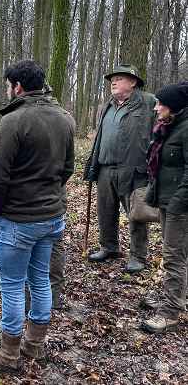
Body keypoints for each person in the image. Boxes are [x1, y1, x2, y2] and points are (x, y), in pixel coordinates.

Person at [0, 60, 75, 369]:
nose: (8, 91)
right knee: (40, 281)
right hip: (51, 218)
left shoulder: (14, 120)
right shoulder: (64, 118)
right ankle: (34, 345)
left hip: (19, 220)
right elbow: (68, 169)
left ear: (17, 87)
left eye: (8, 86)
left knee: (11, 284)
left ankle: (8, 353)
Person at [84, 64, 156, 273]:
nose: (113, 82)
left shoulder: (148, 103)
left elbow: (163, 131)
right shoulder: (108, 105)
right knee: (105, 211)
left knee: (136, 213)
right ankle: (109, 247)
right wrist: (93, 164)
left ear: (133, 82)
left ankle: (138, 256)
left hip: (134, 169)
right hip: (106, 168)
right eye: (112, 79)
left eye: (119, 78)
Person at [140, 82, 188, 333]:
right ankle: (174, 299)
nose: (156, 108)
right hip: (167, 201)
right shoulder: (169, 127)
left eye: (161, 104)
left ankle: (170, 312)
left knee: (174, 257)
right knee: (175, 255)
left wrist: (178, 203)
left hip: (180, 206)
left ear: (175, 107)